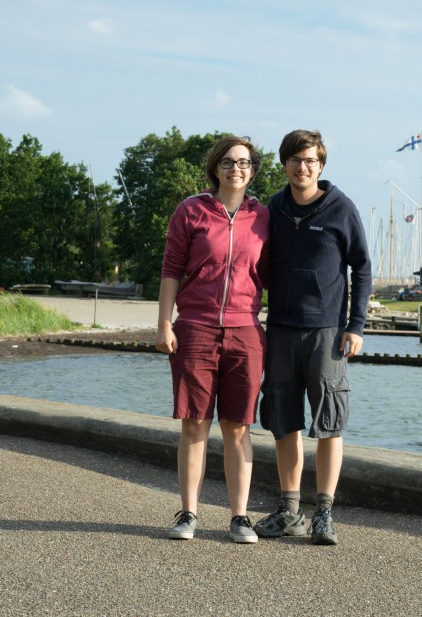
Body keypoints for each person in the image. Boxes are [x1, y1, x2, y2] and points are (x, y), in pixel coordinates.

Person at [254, 129, 372, 545]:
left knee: (329, 423)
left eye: (310, 160)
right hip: (282, 330)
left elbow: (362, 267)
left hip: (327, 332)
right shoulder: (274, 208)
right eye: (294, 160)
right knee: (283, 423)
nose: (302, 167)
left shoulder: (341, 208)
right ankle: (289, 510)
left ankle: (323, 512)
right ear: (284, 164)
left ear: (320, 165)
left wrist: (356, 325)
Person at [156, 135, 270, 544]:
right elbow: (171, 268)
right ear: (215, 168)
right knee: (194, 423)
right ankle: (188, 512)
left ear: (253, 170)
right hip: (196, 327)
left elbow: (274, 275)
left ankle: (239, 516)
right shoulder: (191, 210)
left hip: (246, 331)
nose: (235, 169)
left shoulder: (264, 217)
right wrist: (164, 323)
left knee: (238, 427)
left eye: (243, 162)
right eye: (227, 162)